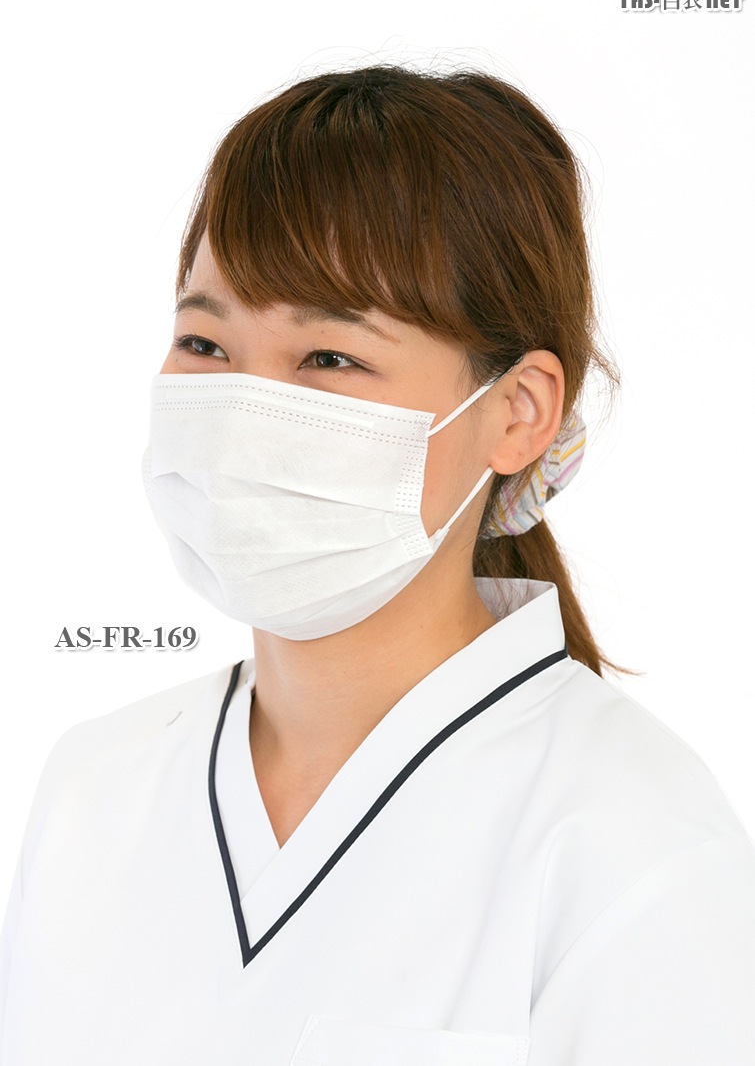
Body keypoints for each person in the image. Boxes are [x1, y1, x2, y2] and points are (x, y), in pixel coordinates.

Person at [1, 64, 753, 1065]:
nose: (242, 412)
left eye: (328, 358)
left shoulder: (629, 838)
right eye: (205, 342)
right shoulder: (94, 784)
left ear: (516, 411)